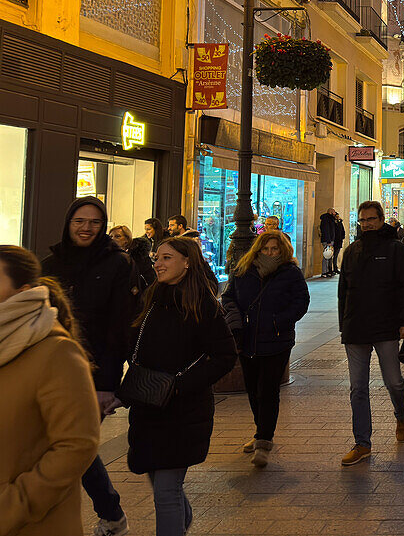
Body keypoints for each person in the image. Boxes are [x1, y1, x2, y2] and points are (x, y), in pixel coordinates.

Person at [126, 237, 236, 536]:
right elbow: (134, 341)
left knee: (166, 489)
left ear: (187, 262)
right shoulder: (152, 298)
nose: (158, 263)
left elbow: (225, 356)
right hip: (148, 405)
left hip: (184, 411)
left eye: (166, 258)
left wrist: (180, 385)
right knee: (157, 476)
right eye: (156, 258)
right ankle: (181, 518)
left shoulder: (202, 304)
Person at [41, 196, 134, 536]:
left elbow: (119, 326)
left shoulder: (117, 264)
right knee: (63, 443)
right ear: (68, 223)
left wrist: (107, 384)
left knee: (73, 444)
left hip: (91, 372)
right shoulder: (50, 264)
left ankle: (109, 514)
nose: (87, 228)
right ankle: (109, 513)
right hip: (50, 368)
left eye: (95, 222)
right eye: (80, 221)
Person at [0, 245, 100, 536]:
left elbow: (77, 444)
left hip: (31, 526)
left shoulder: (57, 351)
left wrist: (15, 504)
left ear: (24, 290)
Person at [221, 231, 309, 468]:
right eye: (266, 249)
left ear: (283, 251)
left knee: (268, 391)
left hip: (277, 341)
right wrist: (235, 319)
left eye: (275, 249)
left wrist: (278, 321)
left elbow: (301, 302)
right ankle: (260, 431)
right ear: (258, 249)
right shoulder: (243, 270)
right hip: (247, 340)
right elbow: (228, 297)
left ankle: (264, 441)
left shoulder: (290, 273)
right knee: (252, 390)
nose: (270, 253)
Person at [338, 202, 404, 466]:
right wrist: (343, 325)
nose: (368, 224)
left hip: (386, 325)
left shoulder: (396, 249)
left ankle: (401, 413)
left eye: (372, 219)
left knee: (393, 381)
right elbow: (343, 292)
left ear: (382, 219)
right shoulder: (351, 251)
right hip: (356, 328)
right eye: (363, 220)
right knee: (357, 388)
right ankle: (362, 443)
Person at [111, 224, 156, 295]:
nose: (113, 239)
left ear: (127, 239)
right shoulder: (110, 256)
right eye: (110, 236)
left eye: (117, 236)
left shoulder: (139, 257)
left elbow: (148, 279)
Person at [319, 208, 345, 278]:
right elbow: (326, 230)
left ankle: (328, 271)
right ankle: (324, 272)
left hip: (331, 240)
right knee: (326, 255)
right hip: (328, 241)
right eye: (333, 212)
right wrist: (328, 241)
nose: (335, 213)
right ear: (330, 212)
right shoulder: (326, 219)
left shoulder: (331, 219)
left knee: (329, 256)